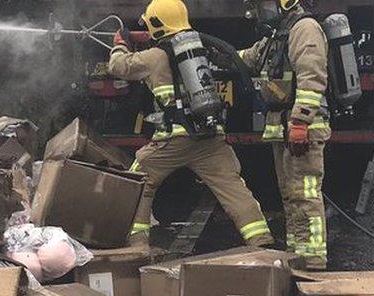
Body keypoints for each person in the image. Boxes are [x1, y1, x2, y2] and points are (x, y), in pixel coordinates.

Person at [108, 0, 273, 249]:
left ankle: (137, 246)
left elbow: (118, 67)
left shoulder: (154, 56)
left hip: (172, 141)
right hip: (209, 136)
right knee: (233, 188)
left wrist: (119, 45)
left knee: (138, 184)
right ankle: (261, 241)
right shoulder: (201, 49)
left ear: (156, 24)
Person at [240, 0, 330, 270]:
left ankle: (312, 261)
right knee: (292, 195)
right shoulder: (277, 35)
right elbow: (247, 59)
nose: (260, 12)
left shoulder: (305, 29)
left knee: (304, 195)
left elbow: (311, 78)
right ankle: (297, 255)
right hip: (285, 129)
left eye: (265, 5)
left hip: (303, 129)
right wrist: (209, 51)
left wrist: (301, 121)